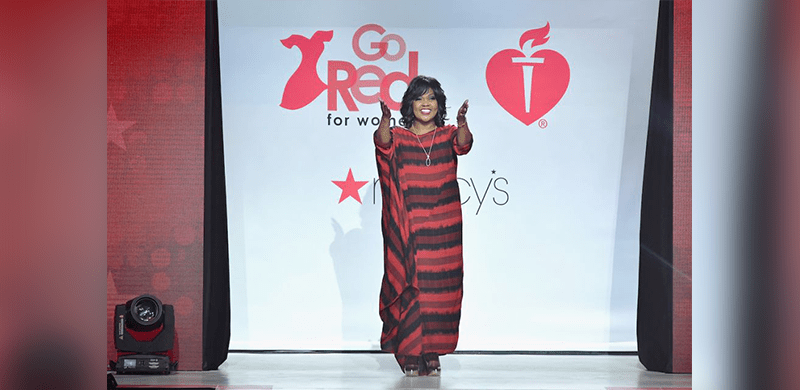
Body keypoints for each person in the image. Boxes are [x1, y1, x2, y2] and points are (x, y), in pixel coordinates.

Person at [373, 75, 473, 376]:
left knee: (440, 292)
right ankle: (412, 353)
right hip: (411, 227)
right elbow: (383, 143)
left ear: (439, 104)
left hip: (444, 228)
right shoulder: (400, 136)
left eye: (432, 98)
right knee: (413, 290)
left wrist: (462, 121)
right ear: (410, 105)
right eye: (419, 98)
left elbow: (464, 145)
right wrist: (386, 121)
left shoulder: (448, 134)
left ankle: (432, 351)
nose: (426, 104)